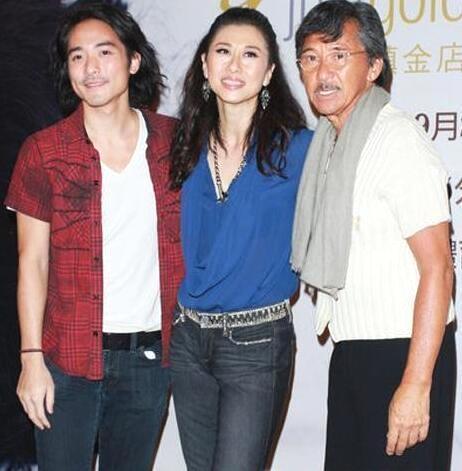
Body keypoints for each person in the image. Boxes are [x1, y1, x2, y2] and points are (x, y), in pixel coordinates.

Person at [4, 2, 182, 470]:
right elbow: (32, 262)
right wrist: (31, 359)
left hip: (149, 361)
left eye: (104, 52)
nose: (91, 67)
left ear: (133, 60)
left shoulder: (175, 144)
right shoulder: (43, 151)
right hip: (66, 360)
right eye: (77, 56)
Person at [292, 1, 456, 470]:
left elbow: (438, 270)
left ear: (374, 67)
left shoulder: (397, 139)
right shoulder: (329, 144)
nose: (323, 72)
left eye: (339, 55)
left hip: (403, 356)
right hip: (352, 355)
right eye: (310, 58)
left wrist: (416, 384)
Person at [169, 7, 312, 471]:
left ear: (269, 72)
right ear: (205, 64)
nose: (234, 66)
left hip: (257, 342)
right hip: (187, 341)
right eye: (223, 52)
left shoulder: (299, 148)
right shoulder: (180, 145)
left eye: (250, 55)